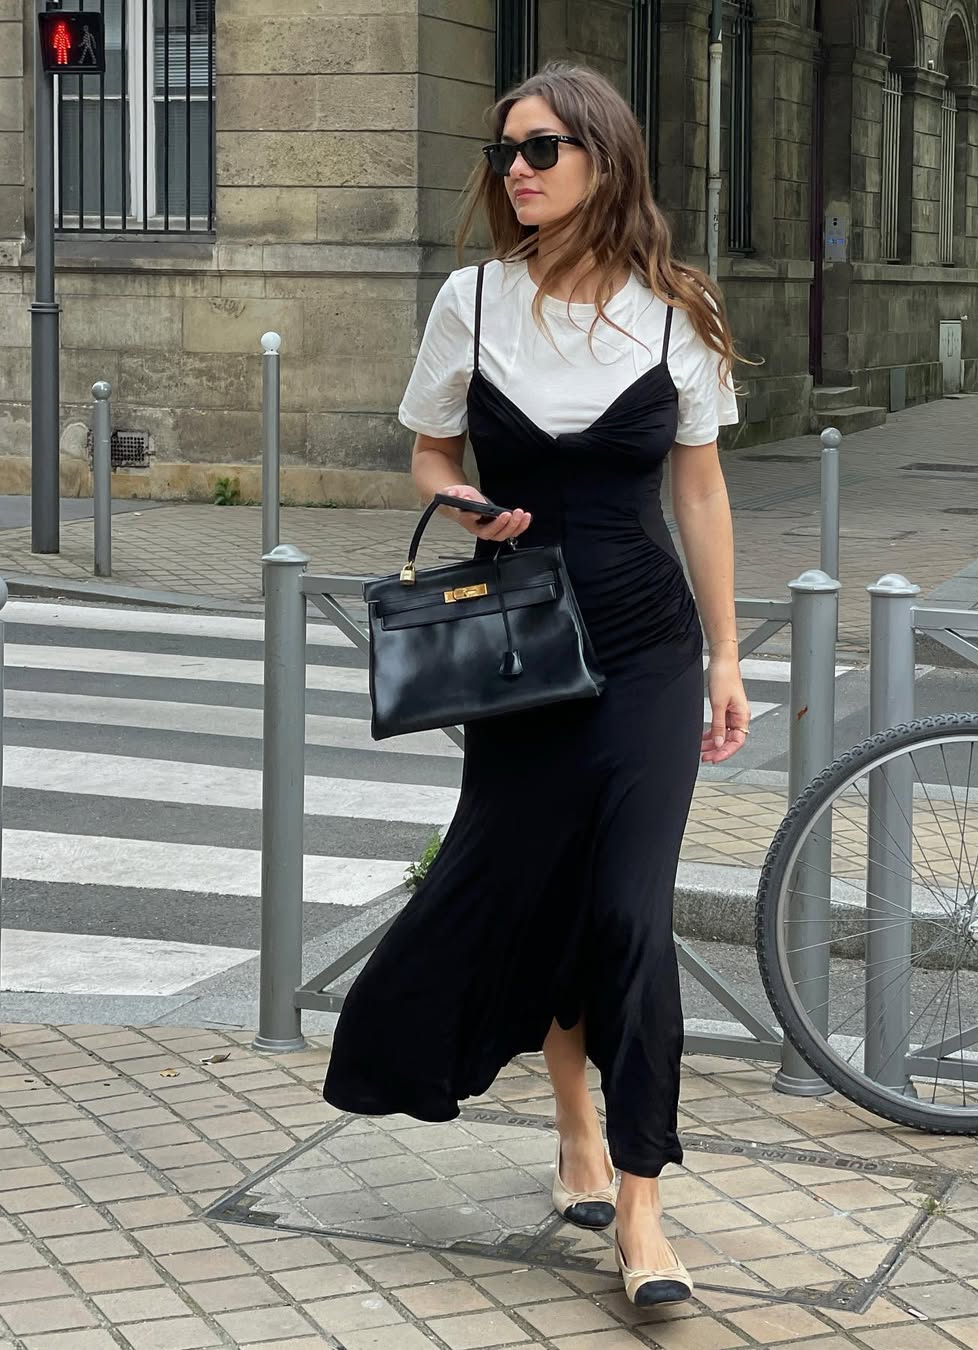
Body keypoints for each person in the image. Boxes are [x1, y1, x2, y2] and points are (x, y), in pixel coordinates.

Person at [323, 60, 748, 1308]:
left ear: (604, 159)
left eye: (542, 147)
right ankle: (574, 1125)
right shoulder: (472, 301)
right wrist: (458, 499)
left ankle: (643, 1205)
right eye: (504, 150)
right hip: (522, 648)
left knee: (629, 912)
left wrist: (728, 656)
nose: (515, 169)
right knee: (542, 890)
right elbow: (429, 451)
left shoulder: (677, 311)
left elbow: (701, 492)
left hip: (648, 647)